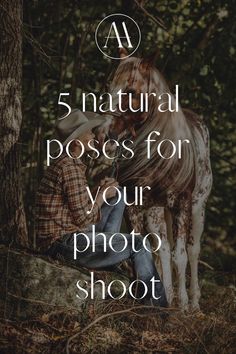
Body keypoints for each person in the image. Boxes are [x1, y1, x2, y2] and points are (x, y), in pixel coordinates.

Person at [35, 109, 167, 307]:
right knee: (137, 244)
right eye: (88, 133)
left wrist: (100, 191)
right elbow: (83, 218)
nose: (93, 136)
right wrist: (101, 196)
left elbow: (74, 207)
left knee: (118, 195)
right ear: (77, 143)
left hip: (69, 235)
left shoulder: (66, 164)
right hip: (64, 244)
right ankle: (157, 310)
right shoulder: (69, 168)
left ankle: (108, 255)